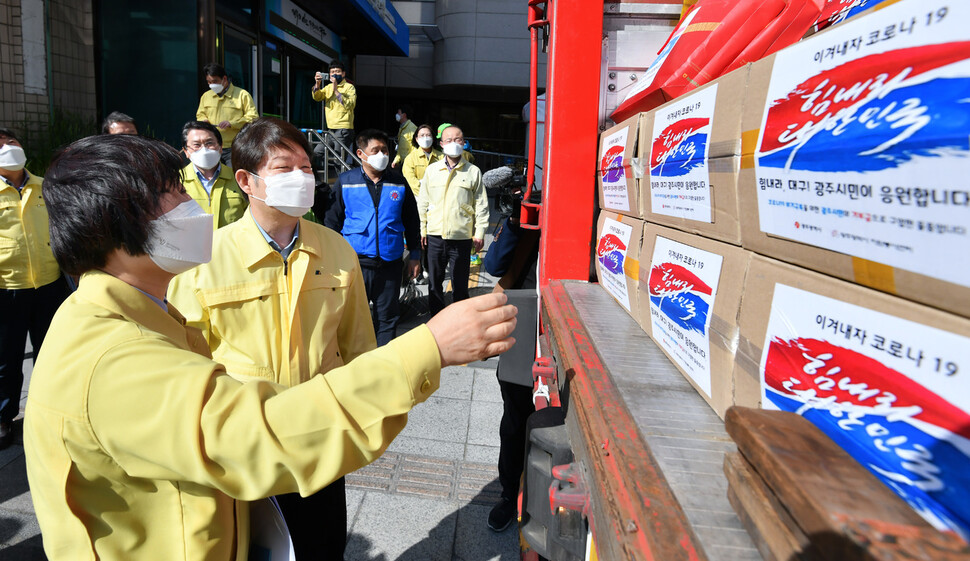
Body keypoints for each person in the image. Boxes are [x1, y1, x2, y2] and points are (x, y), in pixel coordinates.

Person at [25, 131, 517, 561]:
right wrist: (429, 347)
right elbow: (255, 434)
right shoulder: (113, 355)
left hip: (284, 464)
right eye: (173, 194)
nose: (193, 206)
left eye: (307, 167)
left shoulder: (139, 314)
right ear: (117, 223)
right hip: (279, 448)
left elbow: (355, 348)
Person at [0, 127, 69, 450]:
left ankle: (51, 412)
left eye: (12, 143)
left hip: (49, 284)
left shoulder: (45, 186)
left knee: (52, 353)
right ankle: (4, 417)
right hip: (8, 287)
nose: (8, 149)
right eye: (0, 146)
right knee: (6, 358)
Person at [324, 129, 421, 347]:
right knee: (351, 318)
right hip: (355, 264)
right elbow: (332, 222)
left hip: (390, 264)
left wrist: (415, 254)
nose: (381, 155)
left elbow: (412, 220)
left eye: (384, 150)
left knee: (387, 319)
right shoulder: (345, 181)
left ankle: (383, 363)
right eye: (375, 150)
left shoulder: (399, 182)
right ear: (360, 153)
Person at [418, 125, 489, 315]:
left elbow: (481, 205)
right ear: (441, 144)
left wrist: (480, 232)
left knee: (460, 285)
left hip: (461, 237)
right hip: (435, 236)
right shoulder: (432, 170)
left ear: (464, 143)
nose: (454, 144)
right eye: (449, 140)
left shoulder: (473, 172)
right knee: (435, 284)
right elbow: (423, 202)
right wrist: (422, 229)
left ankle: (460, 321)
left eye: (458, 140)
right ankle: (437, 320)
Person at [180, 120, 248, 228]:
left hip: (230, 244)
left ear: (220, 147)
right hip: (192, 244)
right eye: (196, 145)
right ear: (186, 152)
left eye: (209, 143)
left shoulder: (239, 179)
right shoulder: (176, 182)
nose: (204, 150)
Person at [196, 62, 259, 165]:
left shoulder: (242, 95)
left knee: (233, 177)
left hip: (234, 146)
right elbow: (200, 114)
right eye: (209, 82)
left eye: (215, 81)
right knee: (214, 177)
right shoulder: (206, 96)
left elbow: (253, 118)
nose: (212, 85)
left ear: (224, 79)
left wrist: (232, 123)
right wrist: (204, 121)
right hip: (211, 146)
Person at [312, 60, 356, 168]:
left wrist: (336, 89)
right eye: (332, 72)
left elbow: (350, 104)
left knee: (339, 161)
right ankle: (345, 167)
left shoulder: (349, 87)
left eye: (337, 71)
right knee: (317, 153)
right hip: (330, 129)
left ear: (343, 74)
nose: (335, 74)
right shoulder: (327, 88)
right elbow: (317, 97)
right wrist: (317, 84)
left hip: (343, 129)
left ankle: (342, 173)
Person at [401, 124, 442, 197]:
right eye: (422, 135)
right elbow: (411, 181)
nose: (425, 138)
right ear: (416, 139)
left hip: (439, 198)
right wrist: (425, 196)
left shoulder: (442, 156)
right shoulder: (410, 158)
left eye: (428, 135)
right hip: (418, 198)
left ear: (433, 138)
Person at [390, 104, 417, 169]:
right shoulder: (402, 128)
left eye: (398, 113)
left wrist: (412, 163)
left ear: (404, 115)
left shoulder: (412, 128)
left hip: (410, 165)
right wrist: (396, 160)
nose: (397, 114)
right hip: (404, 163)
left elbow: (416, 148)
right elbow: (400, 148)